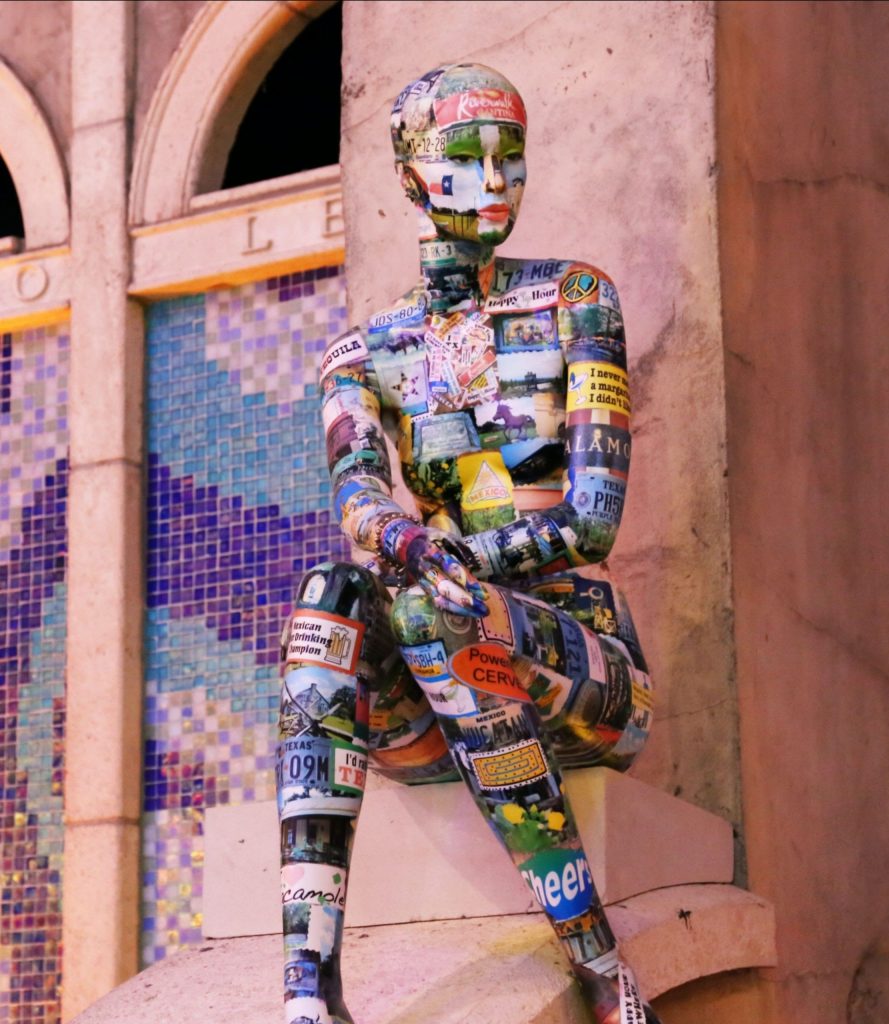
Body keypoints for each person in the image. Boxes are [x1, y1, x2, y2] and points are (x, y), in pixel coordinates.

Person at [277, 62, 659, 1024]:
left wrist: (459, 563)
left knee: (439, 611)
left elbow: (594, 515)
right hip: (427, 697)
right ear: (410, 172)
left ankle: (598, 963)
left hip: (583, 671)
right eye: (463, 156)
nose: (494, 180)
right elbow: (358, 497)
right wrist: (410, 543)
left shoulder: (576, 298)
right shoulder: (359, 356)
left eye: (510, 156)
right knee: (329, 601)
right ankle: (307, 988)